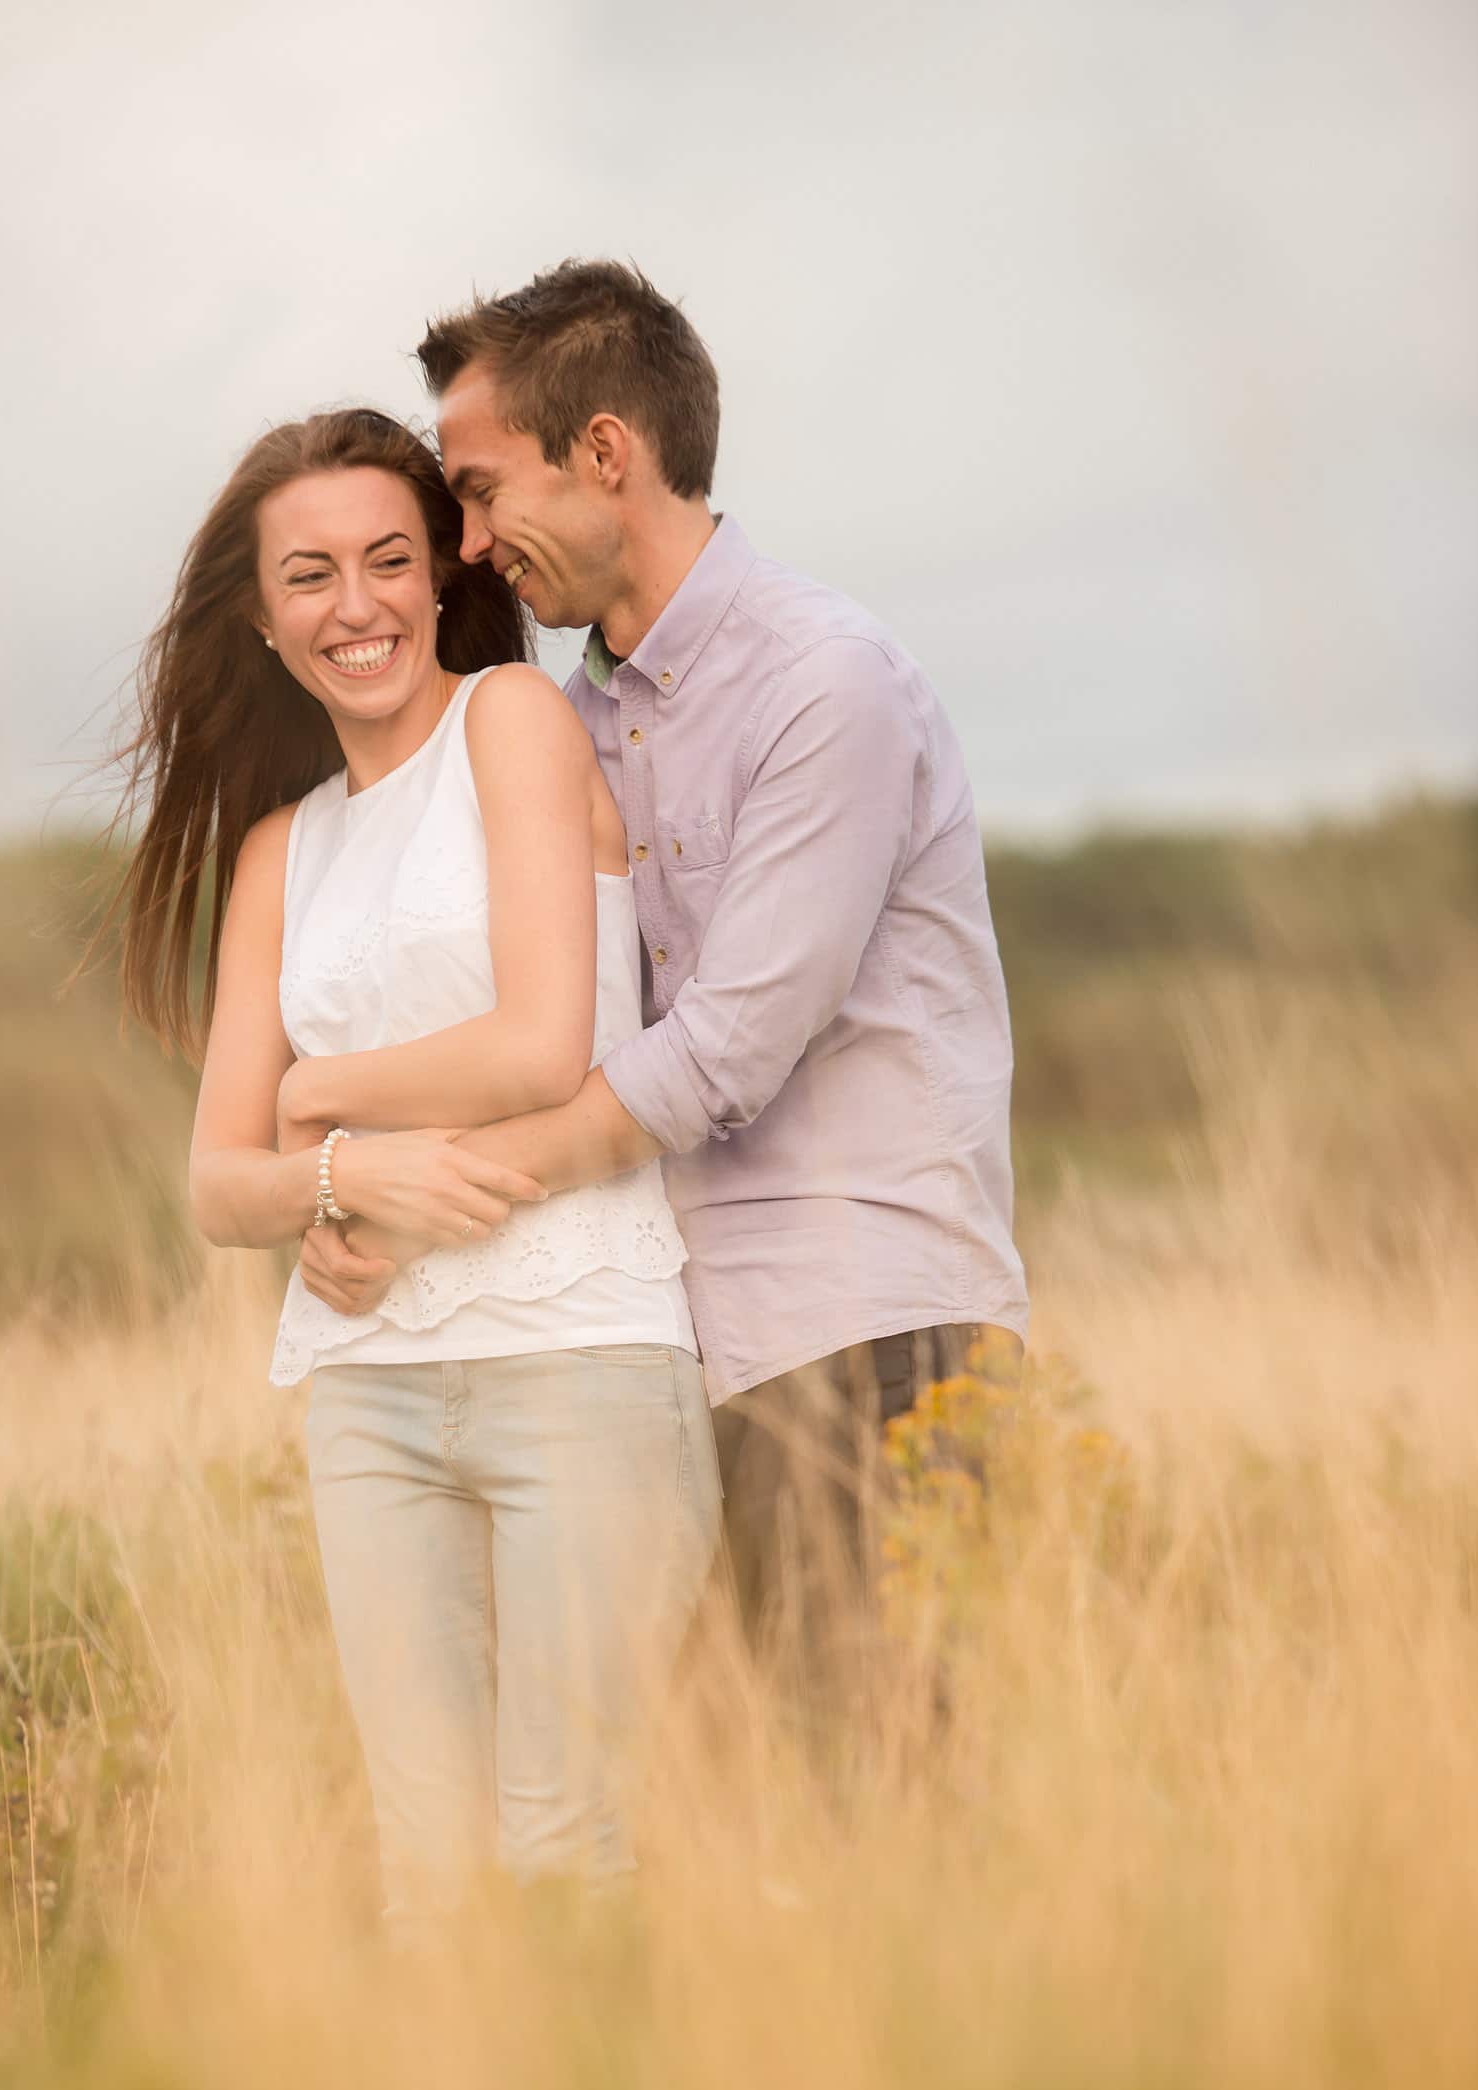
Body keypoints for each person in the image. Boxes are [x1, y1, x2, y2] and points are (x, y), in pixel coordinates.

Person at [300, 263, 1030, 1715]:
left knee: (878, 1808)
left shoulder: (828, 685)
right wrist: (353, 1184)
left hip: (867, 1326)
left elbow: (722, 1058)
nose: (465, 539)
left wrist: (431, 1183)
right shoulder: (571, 727)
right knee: (714, 1844)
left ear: (608, 456)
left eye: (481, 487)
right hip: (666, 1347)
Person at [108, 405, 720, 1924]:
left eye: (389, 559)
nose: (357, 603)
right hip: (371, 1395)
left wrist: (318, 1099)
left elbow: (536, 1044)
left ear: (441, 575)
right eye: (309, 575)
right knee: (429, 1868)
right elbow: (215, 1187)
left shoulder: (508, 720)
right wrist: (345, 1180)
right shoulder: (281, 850)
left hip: (578, 1356)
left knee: (567, 1845)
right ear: (260, 617)